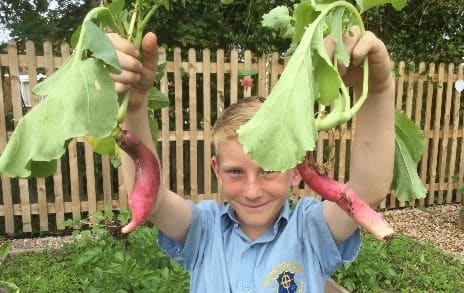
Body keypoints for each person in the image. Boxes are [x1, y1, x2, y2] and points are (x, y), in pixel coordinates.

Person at [108, 25, 395, 292]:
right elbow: (152, 200)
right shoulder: (203, 229)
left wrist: (378, 89)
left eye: (268, 169)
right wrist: (134, 105)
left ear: (297, 170)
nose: (253, 190)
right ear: (216, 170)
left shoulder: (311, 230)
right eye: (235, 172)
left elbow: (365, 191)